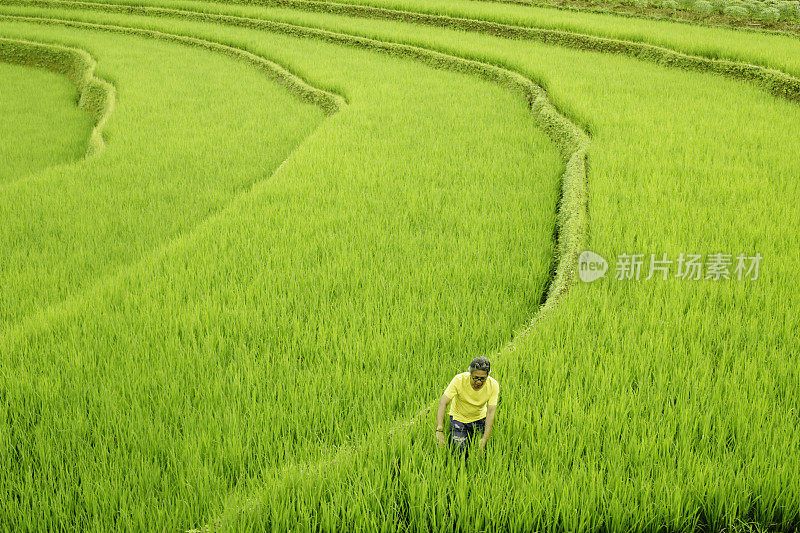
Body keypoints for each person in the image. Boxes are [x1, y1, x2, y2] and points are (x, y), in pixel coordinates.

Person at [435, 356, 499, 455]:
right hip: (459, 418)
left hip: (479, 418)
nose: (478, 382)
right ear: (470, 374)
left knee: (482, 451)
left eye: (482, 379)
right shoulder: (459, 380)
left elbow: (491, 412)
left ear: (487, 376)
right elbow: (443, 402)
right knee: (459, 451)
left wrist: (485, 438)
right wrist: (439, 430)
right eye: (475, 378)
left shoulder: (493, 385)